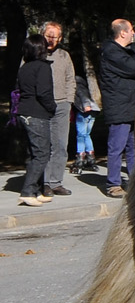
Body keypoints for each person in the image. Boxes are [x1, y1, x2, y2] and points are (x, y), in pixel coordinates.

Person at [98, 19, 135, 197]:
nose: (133, 34)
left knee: (133, 147)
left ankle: (134, 181)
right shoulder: (111, 52)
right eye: (131, 31)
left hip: (132, 105)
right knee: (116, 147)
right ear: (122, 33)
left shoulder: (128, 51)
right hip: (119, 107)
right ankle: (113, 184)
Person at [16, 34, 56, 206]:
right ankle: (27, 190)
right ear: (42, 49)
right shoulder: (43, 67)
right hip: (37, 113)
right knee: (42, 153)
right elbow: (43, 93)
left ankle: (36, 189)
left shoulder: (24, 68)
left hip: (23, 112)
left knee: (34, 153)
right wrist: (52, 107)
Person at [42, 20, 76, 195]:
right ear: (43, 35)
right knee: (44, 146)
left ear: (60, 38)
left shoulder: (64, 56)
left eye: (55, 37)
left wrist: (69, 101)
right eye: (48, 36)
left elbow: (71, 79)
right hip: (40, 107)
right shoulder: (34, 53)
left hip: (61, 105)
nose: (51, 40)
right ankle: (44, 182)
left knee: (61, 145)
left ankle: (56, 182)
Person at [72, 74, 101, 174]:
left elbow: (83, 96)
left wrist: (86, 105)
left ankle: (80, 157)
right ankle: (91, 157)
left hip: (85, 111)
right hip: (94, 112)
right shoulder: (85, 86)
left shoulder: (77, 86)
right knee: (87, 135)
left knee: (80, 135)